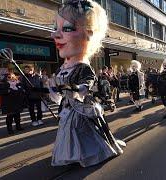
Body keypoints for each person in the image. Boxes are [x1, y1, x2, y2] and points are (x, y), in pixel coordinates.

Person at [50, 0, 124, 167]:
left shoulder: (84, 67)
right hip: (68, 107)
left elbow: (87, 84)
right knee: (67, 133)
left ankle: (88, 153)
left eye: (67, 28)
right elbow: (56, 89)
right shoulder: (62, 68)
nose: (54, 35)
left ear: (89, 33)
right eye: (55, 28)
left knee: (82, 131)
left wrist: (73, 88)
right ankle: (71, 155)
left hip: (81, 106)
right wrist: (50, 88)